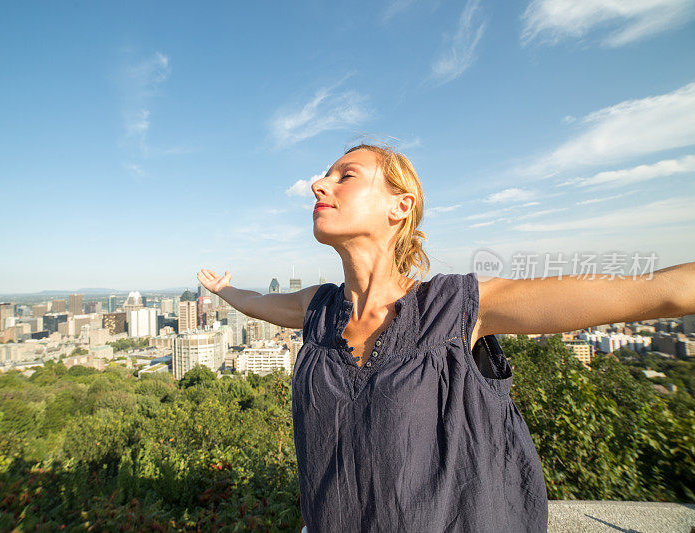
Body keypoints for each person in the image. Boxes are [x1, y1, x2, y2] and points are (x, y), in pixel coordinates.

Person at [197, 143, 695, 532]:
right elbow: (253, 302)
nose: (317, 185)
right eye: (325, 176)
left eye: (345, 175)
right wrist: (224, 290)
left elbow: (651, 292)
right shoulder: (318, 310)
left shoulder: (457, 308)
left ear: (400, 206)